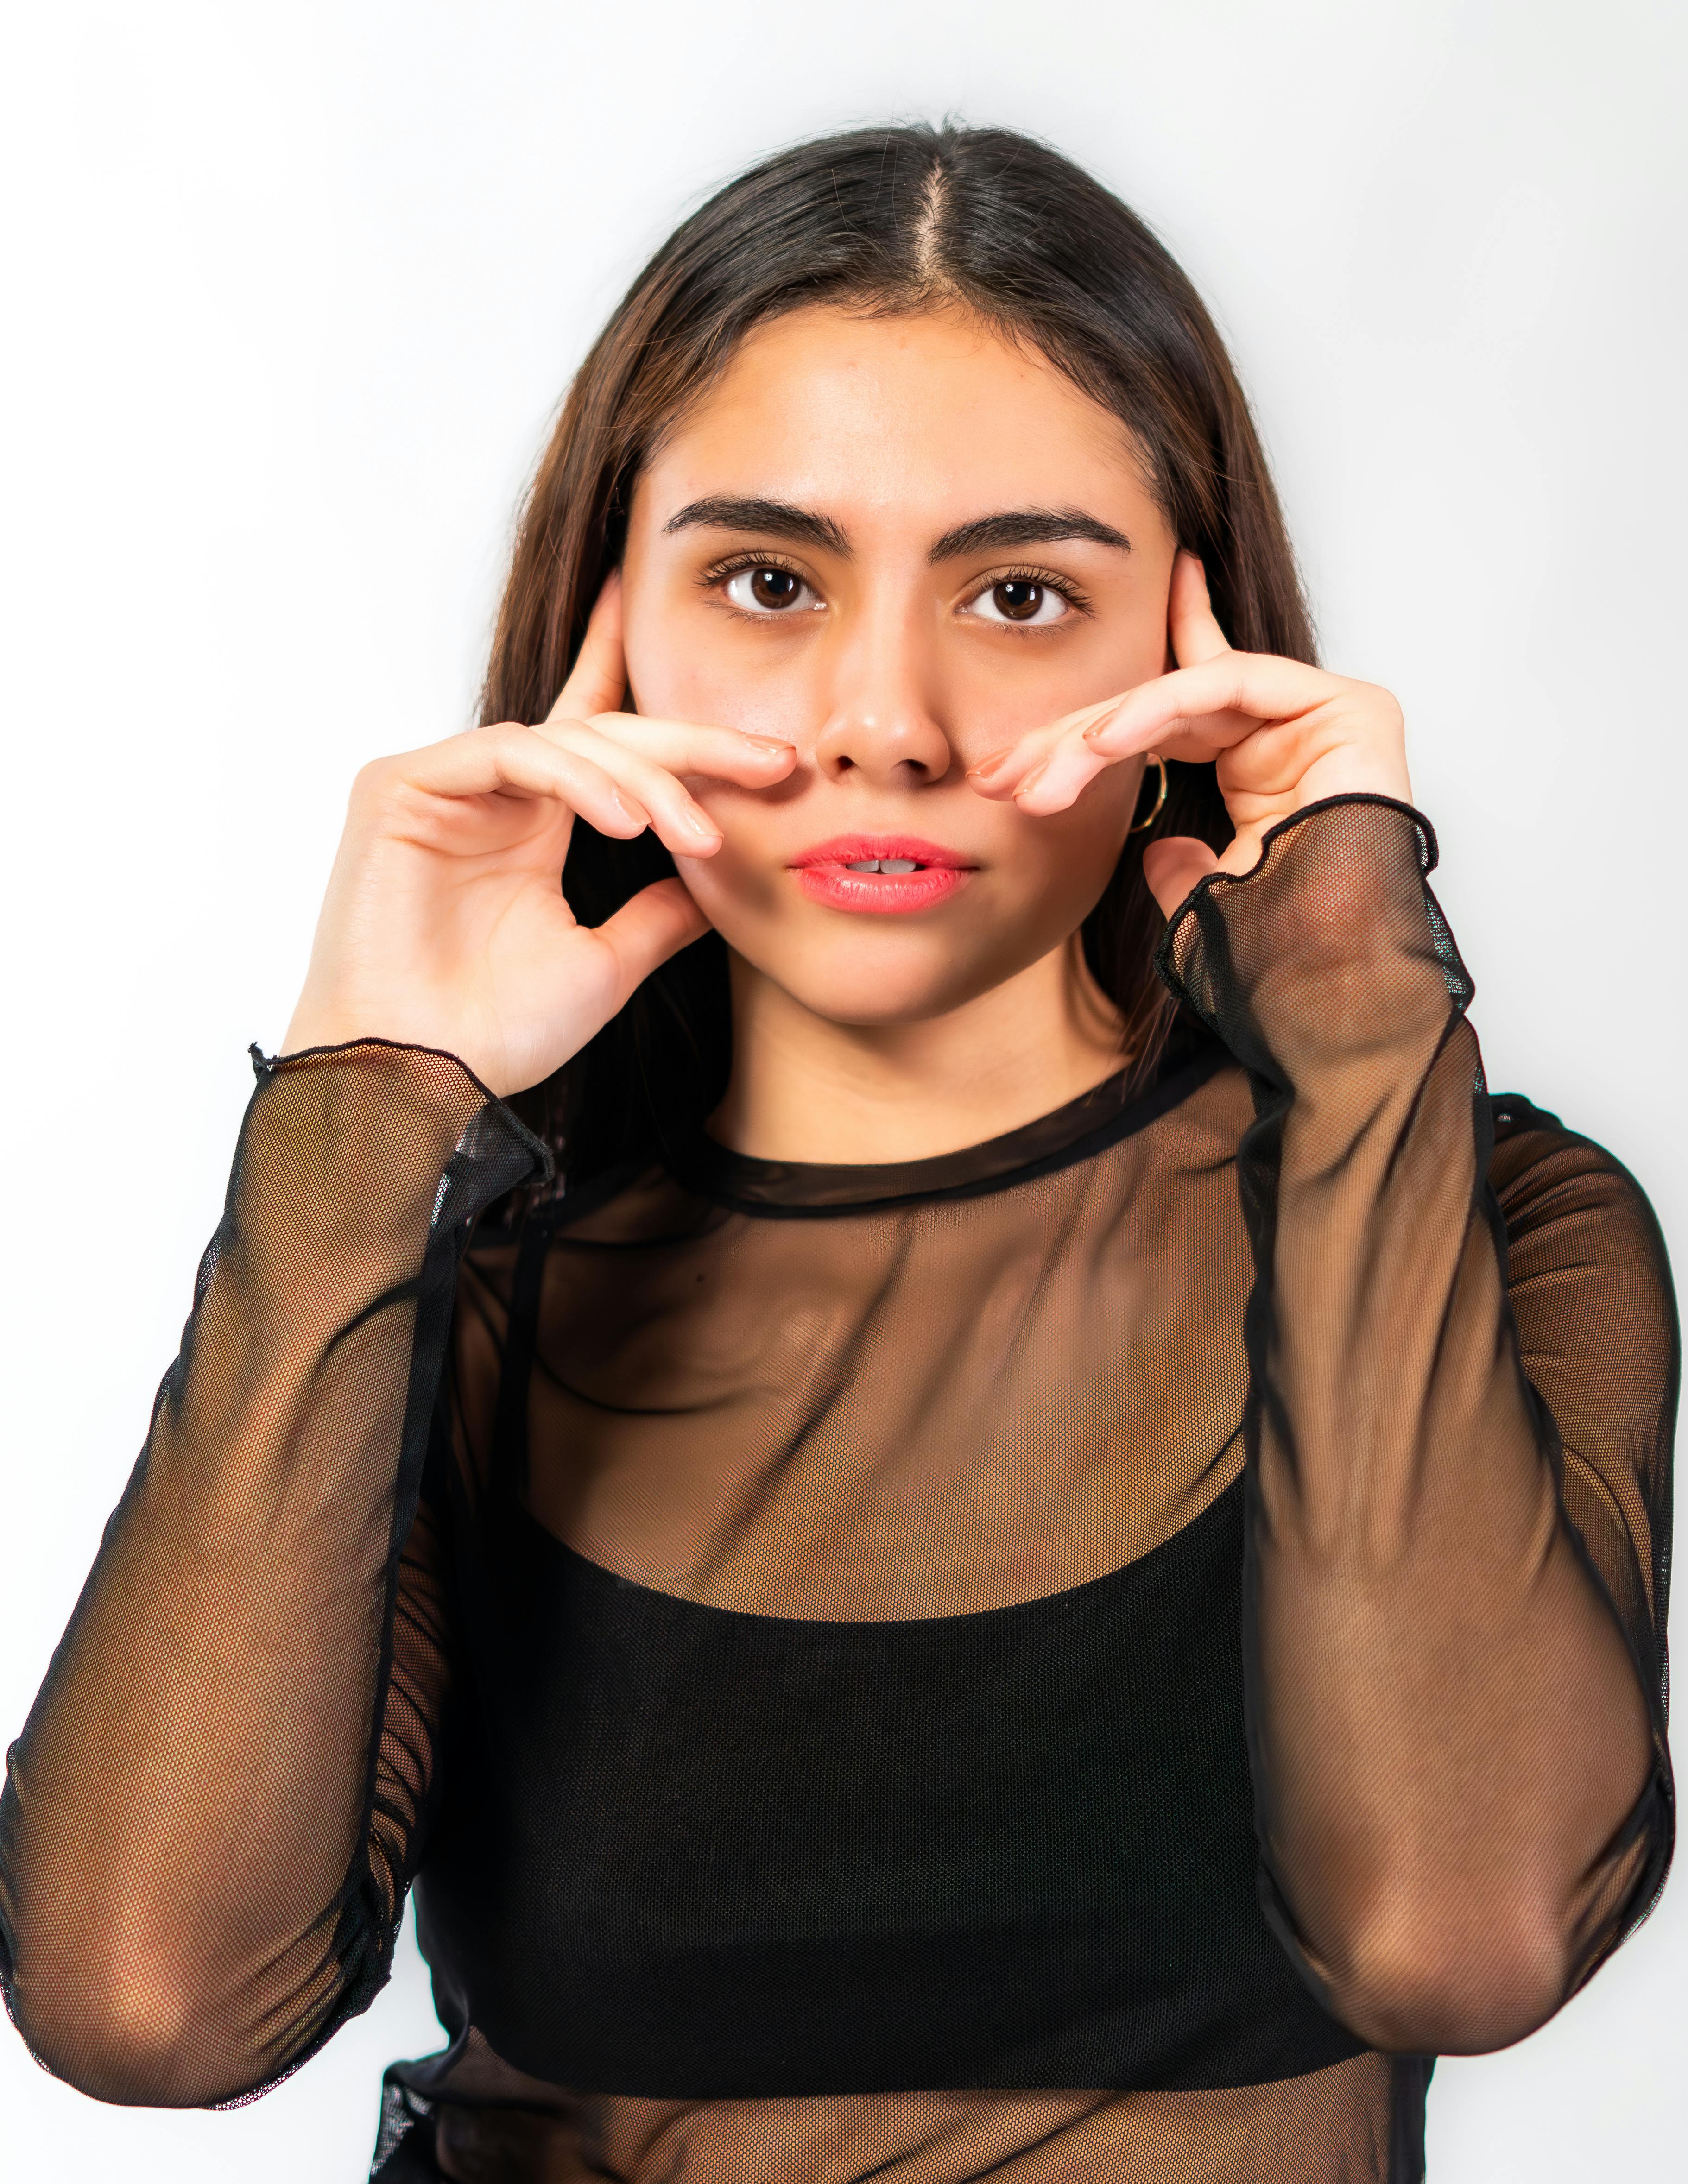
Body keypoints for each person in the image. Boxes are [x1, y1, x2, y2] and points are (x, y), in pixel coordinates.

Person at [0, 123, 1674, 2184]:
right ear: (612, 620)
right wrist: (370, 1097)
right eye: (769, 581)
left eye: (1022, 590)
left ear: (1189, 646)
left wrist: (1345, 993)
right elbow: (142, 2000)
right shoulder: (467, 1291)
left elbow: (1454, 1930)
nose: (886, 715)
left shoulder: (1478, 1227)